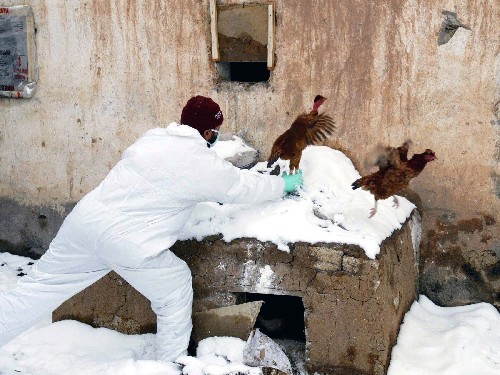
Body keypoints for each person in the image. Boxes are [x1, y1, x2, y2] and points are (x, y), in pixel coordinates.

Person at [0, 95, 303, 362]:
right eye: (215, 132)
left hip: (85, 222)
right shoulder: (200, 163)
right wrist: (282, 184)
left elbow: (159, 179)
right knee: (175, 286)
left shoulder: (153, 138)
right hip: (126, 240)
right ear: (209, 132)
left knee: (36, 289)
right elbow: (241, 187)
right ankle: (170, 362)